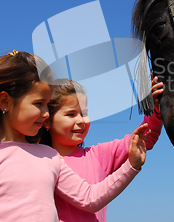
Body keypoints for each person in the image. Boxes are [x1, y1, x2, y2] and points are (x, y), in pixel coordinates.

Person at [0, 50, 150, 222]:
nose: (46, 113)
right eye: (38, 103)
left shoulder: (49, 156)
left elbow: (90, 198)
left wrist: (131, 166)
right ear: (5, 102)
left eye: (48, 105)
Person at [39, 75, 163, 222]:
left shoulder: (98, 156)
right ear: (47, 121)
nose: (81, 120)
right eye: (71, 114)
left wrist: (155, 108)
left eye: (84, 113)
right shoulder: (37, 161)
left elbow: (143, 139)